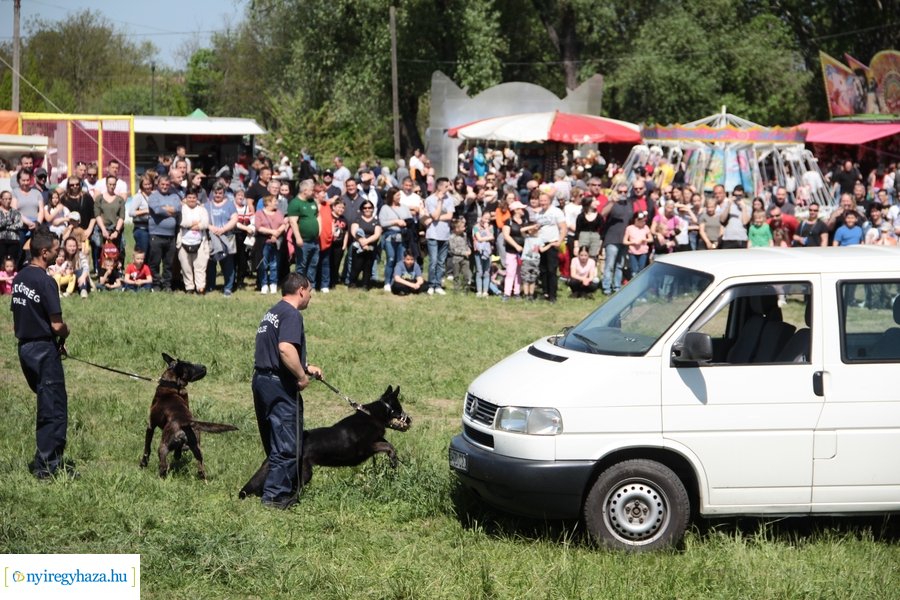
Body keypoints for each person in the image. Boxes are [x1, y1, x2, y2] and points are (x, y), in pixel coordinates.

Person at [251, 273, 322, 508]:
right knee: (287, 443)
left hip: (262, 381)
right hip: (279, 385)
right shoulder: (292, 314)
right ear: (301, 290)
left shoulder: (273, 312)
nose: (311, 296)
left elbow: (274, 349)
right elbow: (284, 349)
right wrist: (301, 376)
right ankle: (276, 496)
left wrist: (305, 366)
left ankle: (271, 487)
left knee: (274, 441)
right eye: (310, 291)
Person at [11, 230, 74, 479]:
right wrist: (65, 333)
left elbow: (21, 315)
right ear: (44, 252)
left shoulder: (20, 277)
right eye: (56, 249)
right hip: (43, 352)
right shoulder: (46, 282)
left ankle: (46, 462)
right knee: (53, 409)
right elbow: (57, 325)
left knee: (47, 403)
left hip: (25, 348)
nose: (59, 253)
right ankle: (48, 468)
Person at [147, 175, 182, 292]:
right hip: (156, 234)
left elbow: (178, 208)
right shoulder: (153, 196)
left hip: (171, 236)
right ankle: (156, 284)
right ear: (158, 184)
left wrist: (166, 209)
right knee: (155, 261)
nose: (165, 186)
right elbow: (156, 210)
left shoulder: (174, 196)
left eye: (167, 185)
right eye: (162, 184)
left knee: (169, 263)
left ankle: (167, 285)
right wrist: (170, 211)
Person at [206, 183, 239, 297]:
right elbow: (203, 219)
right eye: (216, 193)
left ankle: (228, 287)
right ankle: (210, 286)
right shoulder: (207, 205)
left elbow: (234, 219)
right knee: (211, 263)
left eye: (220, 193)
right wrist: (212, 228)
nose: (218, 195)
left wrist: (223, 229)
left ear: (224, 193)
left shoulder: (230, 205)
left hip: (227, 237)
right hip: (212, 238)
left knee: (228, 264)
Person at [423, 177, 454, 295]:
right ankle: (431, 284)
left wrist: (435, 218)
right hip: (433, 234)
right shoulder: (430, 200)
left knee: (441, 262)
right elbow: (435, 215)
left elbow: (449, 216)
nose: (448, 188)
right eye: (446, 186)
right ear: (439, 186)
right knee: (433, 261)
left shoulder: (449, 198)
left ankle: (438, 284)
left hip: (445, 234)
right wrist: (440, 202)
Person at [378, 187, 411, 292]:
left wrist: (406, 223)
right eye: (397, 195)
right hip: (390, 237)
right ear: (391, 196)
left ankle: (396, 282)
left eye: (400, 195)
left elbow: (410, 220)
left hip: (402, 237)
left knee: (400, 260)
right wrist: (395, 222)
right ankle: (387, 282)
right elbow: (382, 223)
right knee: (391, 259)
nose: (399, 197)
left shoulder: (404, 207)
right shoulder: (385, 208)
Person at [177, 188, 210, 294]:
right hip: (183, 242)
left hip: (200, 242)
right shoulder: (181, 209)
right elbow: (182, 222)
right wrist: (194, 223)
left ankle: (200, 287)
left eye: (194, 197)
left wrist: (195, 226)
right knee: (186, 266)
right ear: (185, 198)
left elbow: (205, 223)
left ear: (197, 198)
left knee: (200, 266)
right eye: (189, 197)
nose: (191, 199)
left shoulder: (202, 210)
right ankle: (189, 287)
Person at [288, 180, 320, 284]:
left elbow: (317, 216)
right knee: (302, 264)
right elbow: (293, 222)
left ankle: (310, 285)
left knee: (313, 263)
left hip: (314, 240)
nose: (313, 192)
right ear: (305, 191)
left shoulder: (312, 201)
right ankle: (299, 285)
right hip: (303, 241)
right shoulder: (295, 203)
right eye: (312, 190)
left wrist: (319, 230)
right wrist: (298, 238)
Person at [255, 193, 287, 294]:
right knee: (263, 264)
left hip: (276, 242)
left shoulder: (278, 213)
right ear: (268, 202)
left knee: (274, 264)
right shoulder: (259, 213)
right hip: (263, 242)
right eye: (274, 201)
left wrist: (277, 233)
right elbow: (258, 227)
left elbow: (283, 224)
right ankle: (264, 284)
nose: (276, 203)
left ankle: (273, 284)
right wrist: (272, 232)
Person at [348, 200, 382, 289]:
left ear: (373, 209)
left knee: (368, 266)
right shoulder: (357, 219)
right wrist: (362, 242)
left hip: (371, 247)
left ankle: (366, 284)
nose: (367, 209)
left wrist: (366, 242)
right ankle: (352, 283)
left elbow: (377, 234)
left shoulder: (376, 221)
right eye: (365, 208)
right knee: (356, 266)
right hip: (358, 246)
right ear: (362, 209)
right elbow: (354, 232)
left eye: (369, 207)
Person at [129, 175, 154, 254]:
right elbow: (131, 212)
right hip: (141, 229)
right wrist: (145, 211)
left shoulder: (153, 196)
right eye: (145, 184)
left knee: (151, 254)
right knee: (143, 253)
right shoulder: (138, 197)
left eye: (149, 184)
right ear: (141, 185)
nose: (148, 186)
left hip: (152, 229)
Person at [472, 211, 494, 298]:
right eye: (485, 218)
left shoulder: (490, 227)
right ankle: (479, 291)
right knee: (479, 271)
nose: (487, 221)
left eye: (488, 219)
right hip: (478, 251)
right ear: (481, 217)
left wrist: (487, 228)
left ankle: (485, 291)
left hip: (488, 252)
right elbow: (479, 239)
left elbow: (492, 237)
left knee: (486, 272)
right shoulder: (476, 227)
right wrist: (488, 238)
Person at [623, 211, 652, 277]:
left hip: (643, 251)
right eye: (641, 221)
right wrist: (632, 242)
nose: (643, 223)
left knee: (641, 269)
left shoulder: (646, 227)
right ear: (636, 220)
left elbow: (651, 239)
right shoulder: (629, 228)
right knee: (634, 269)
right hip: (633, 252)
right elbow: (625, 241)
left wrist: (644, 240)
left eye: (644, 221)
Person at [0, 189, 24, 266]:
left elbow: (20, 224)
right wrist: (8, 222)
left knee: (13, 261)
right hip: (1, 240)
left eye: (10, 199)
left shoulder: (15, 212)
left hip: (13, 240)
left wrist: (6, 226)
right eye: (5, 199)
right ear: (1, 199)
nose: (8, 201)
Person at [447, 218, 471, 292]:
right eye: (462, 227)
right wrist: (464, 253)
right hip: (456, 259)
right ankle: (456, 289)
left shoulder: (464, 235)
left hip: (465, 258)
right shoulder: (451, 237)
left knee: (466, 274)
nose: (464, 228)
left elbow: (466, 244)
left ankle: (466, 289)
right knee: (456, 275)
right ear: (457, 229)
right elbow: (453, 250)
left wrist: (468, 249)